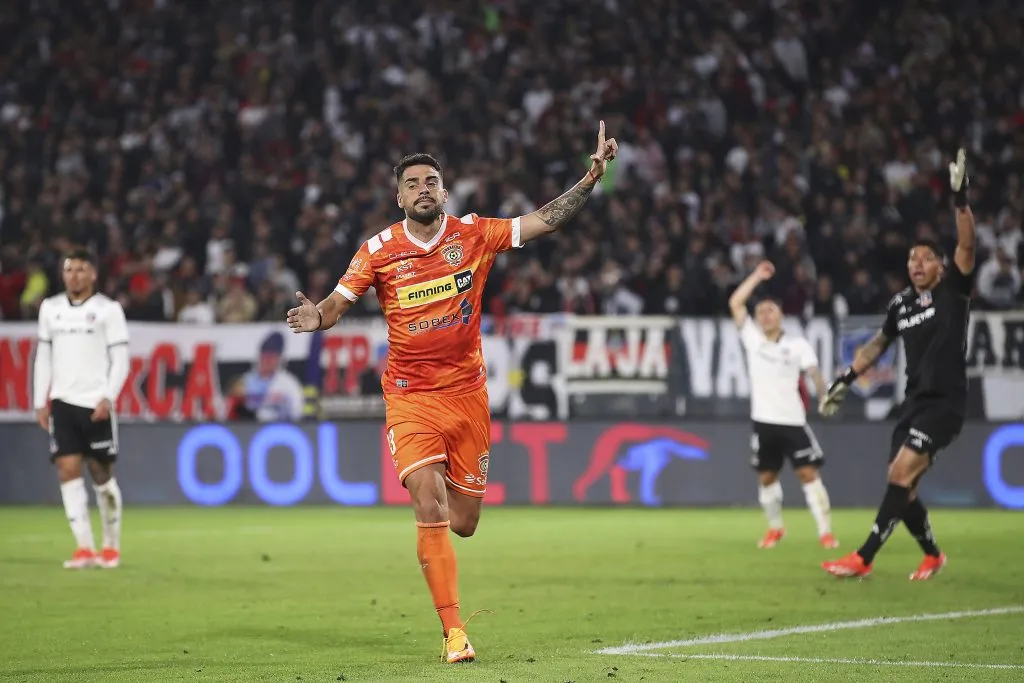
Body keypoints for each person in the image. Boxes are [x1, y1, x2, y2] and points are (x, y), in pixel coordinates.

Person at [287, 122, 617, 663]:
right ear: (399, 197)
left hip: (467, 395)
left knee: (463, 522)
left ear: (444, 191)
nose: (422, 188)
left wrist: (590, 180)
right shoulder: (377, 251)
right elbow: (334, 306)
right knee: (427, 501)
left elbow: (542, 223)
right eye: (412, 182)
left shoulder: (473, 235)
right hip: (409, 397)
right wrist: (314, 317)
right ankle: (454, 632)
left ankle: (449, 584)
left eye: (430, 180)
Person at [820, 149, 975, 580]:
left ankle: (863, 557)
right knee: (902, 488)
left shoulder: (953, 292)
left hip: (945, 403)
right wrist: (847, 378)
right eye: (912, 259)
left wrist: (960, 200)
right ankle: (933, 555)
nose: (917, 265)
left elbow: (967, 243)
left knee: (900, 472)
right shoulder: (901, 305)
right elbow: (876, 344)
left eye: (926, 258)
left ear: (941, 267)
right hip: (913, 401)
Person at [728, 260, 837, 550]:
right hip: (763, 421)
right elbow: (735, 303)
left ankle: (825, 532)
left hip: (793, 421)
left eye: (770, 310)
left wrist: (823, 396)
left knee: (808, 474)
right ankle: (776, 528)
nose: (764, 316)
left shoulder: (798, 345)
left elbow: (814, 372)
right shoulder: (752, 339)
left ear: (781, 315)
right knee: (767, 477)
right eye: (760, 312)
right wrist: (756, 276)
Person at [32, 249, 130, 569]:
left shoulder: (108, 310)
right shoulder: (50, 309)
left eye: (80, 269)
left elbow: (121, 360)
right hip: (62, 402)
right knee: (67, 471)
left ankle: (111, 546)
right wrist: (39, 400)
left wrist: (109, 397)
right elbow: (43, 357)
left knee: (101, 475)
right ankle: (84, 548)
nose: (74, 275)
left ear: (93, 275)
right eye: (69, 269)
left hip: (95, 403)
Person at [228, 331, 305, 421]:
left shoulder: (288, 384)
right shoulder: (245, 381)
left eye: (272, 357)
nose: (268, 361)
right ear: (260, 356)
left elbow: (298, 412)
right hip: (250, 429)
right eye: (265, 356)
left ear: (279, 359)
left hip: (280, 427)